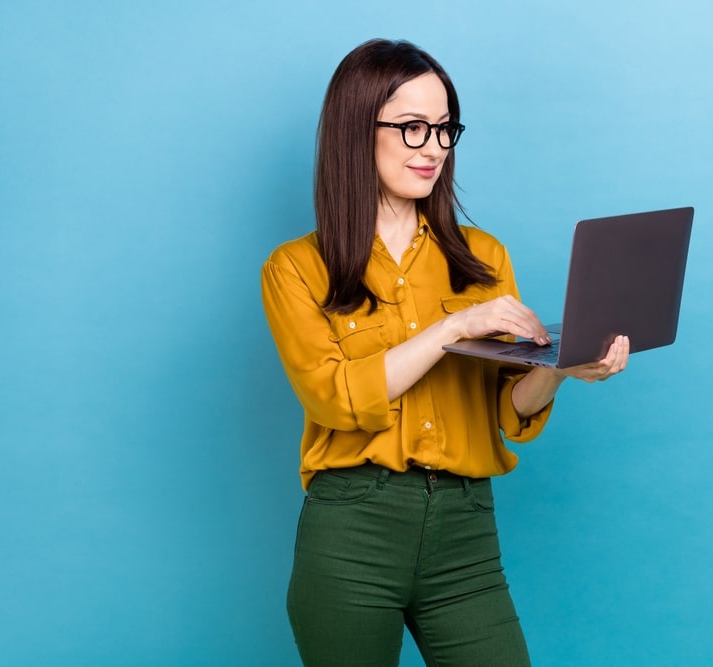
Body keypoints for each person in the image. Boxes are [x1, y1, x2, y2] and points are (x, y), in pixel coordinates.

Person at [261, 38, 629, 667]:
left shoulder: (484, 257)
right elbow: (339, 400)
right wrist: (450, 329)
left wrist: (560, 370)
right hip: (353, 530)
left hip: (465, 532)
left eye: (444, 128)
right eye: (411, 128)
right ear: (357, 130)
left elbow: (509, 412)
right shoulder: (297, 269)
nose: (434, 147)